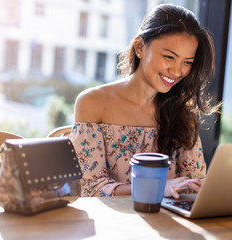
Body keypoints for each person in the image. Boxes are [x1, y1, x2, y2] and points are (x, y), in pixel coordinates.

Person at [69, 3, 219, 199]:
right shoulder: (93, 102)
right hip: (112, 223)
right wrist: (157, 187)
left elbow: (193, 184)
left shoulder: (182, 113)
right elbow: (89, 188)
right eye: (168, 57)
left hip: (167, 223)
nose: (177, 71)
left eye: (187, 62)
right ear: (140, 47)